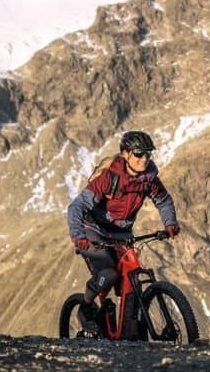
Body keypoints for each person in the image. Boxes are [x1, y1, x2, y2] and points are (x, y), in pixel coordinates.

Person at [66, 131, 181, 333]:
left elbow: (163, 201)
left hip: (122, 234)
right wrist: (79, 237)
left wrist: (170, 223)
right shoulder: (110, 177)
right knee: (108, 274)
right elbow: (77, 207)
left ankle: (127, 327)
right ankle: (85, 306)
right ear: (125, 153)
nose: (144, 159)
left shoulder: (149, 179)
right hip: (94, 230)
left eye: (148, 154)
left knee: (132, 275)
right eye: (138, 154)